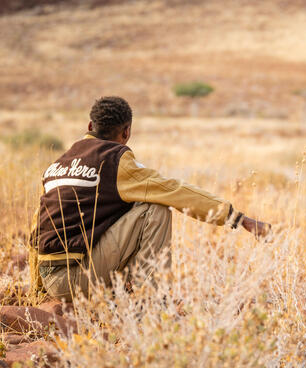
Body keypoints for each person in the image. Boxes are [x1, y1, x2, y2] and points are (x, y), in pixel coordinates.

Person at [29, 96, 270, 301]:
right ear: (127, 132)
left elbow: (37, 227)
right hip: (76, 280)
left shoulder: (59, 163)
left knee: (124, 204)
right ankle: (149, 300)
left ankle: (123, 291)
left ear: (90, 125)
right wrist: (240, 219)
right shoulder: (115, 160)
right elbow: (174, 191)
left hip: (50, 278)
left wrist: (36, 290)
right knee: (154, 209)